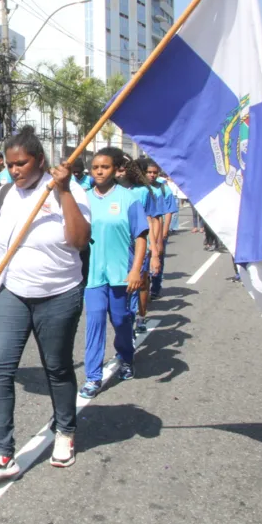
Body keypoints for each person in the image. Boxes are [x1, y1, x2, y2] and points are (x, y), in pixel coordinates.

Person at [0, 128, 90, 479]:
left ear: (39, 160)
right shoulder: (5, 194)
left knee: (56, 367)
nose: (14, 170)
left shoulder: (68, 190)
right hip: (12, 292)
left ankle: (65, 431)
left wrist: (65, 191)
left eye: (21, 163)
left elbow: (79, 240)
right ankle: (1, 452)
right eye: (9, 164)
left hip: (59, 294)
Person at [79, 148, 148, 399]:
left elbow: (140, 237)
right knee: (94, 323)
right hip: (93, 276)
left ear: (116, 169)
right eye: (95, 167)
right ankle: (93, 377)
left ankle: (126, 357)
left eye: (105, 167)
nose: (99, 171)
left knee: (121, 322)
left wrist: (136, 271)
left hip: (121, 274)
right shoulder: (83, 198)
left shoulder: (129, 199)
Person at [118, 157, 160, 335]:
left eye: (121, 170)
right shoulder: (112, 190)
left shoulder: (142, 191)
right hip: (120, 248)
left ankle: (139, 317)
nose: (118, 173)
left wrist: (154, 249)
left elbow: (152, 220)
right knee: (123, 287)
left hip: (139, 246)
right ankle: (127, 317)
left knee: (140, 284)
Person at [142, 160, 172, 299]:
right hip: (143, 230)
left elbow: (167, 212)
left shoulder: (163, 188)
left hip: (158, 229)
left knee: (157, 258)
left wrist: (164, 232)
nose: (152, 175)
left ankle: (155, 287)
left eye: (154, 172)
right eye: (149, 172)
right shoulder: (140, 189)